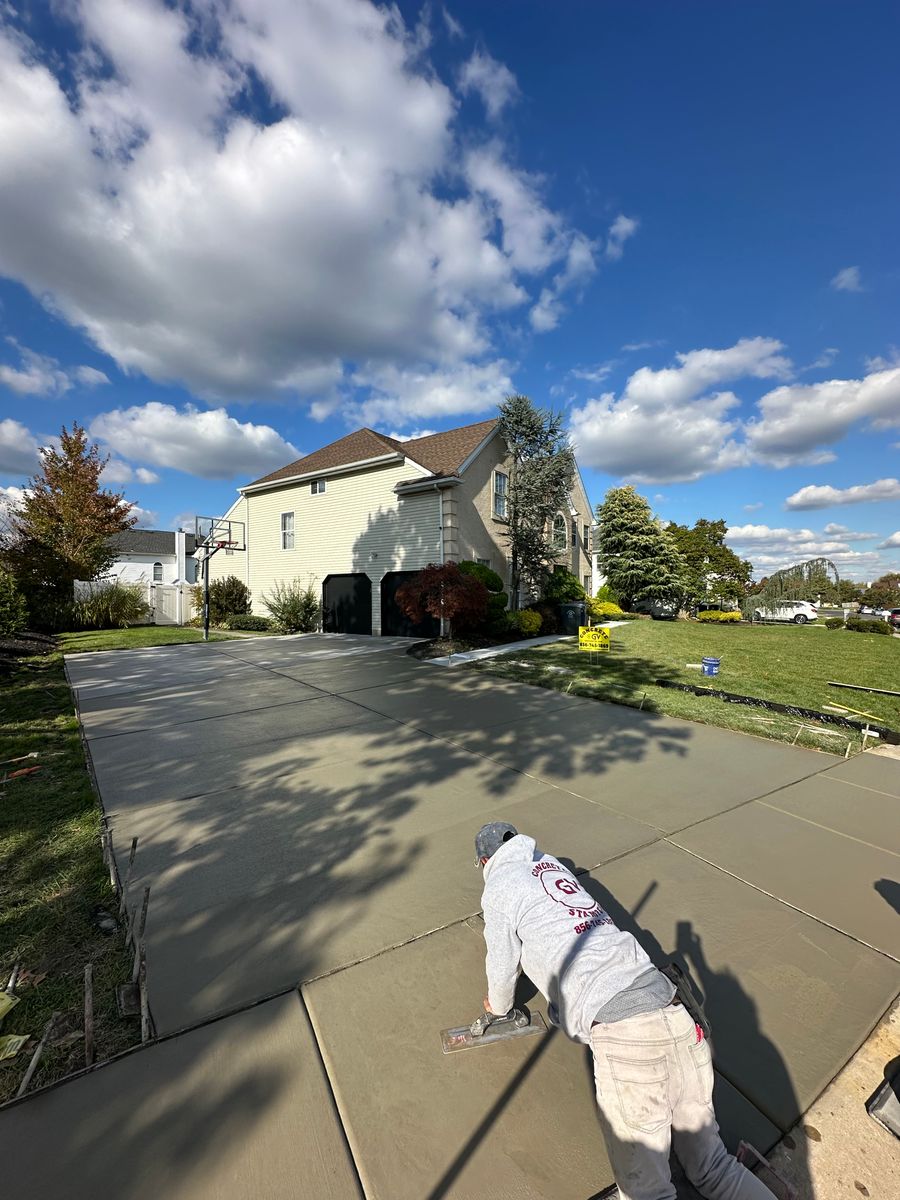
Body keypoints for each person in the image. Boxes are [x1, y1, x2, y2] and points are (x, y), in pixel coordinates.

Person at [475, 821, 773, 1200]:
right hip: (677, 1014)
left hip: (629, 1039)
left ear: (486, 861)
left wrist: (498, 1005)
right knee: (714, 1167)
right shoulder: (550, 865)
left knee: (648, 1193)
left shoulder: (499, 886)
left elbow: (502, 965)